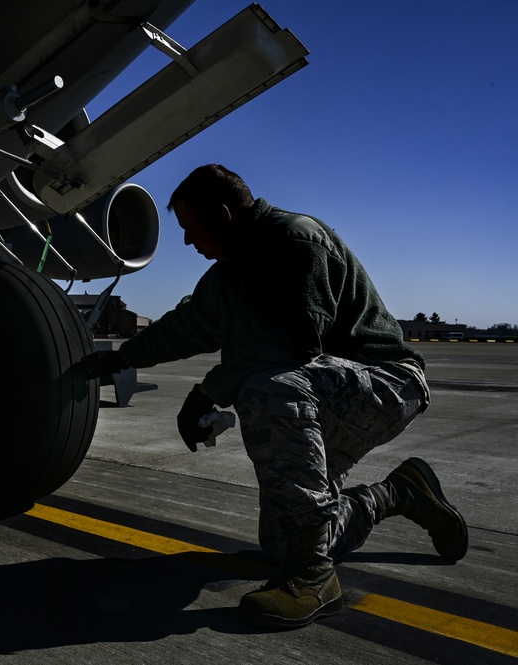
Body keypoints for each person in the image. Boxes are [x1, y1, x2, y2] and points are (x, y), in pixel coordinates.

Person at [76, 164, 467, 629]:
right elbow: (183, 330)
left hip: (385, 382)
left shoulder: (295, 241)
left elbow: (292, 344)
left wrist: (207, 392)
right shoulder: (227, 277)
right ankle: (400, 494)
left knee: (267, 387)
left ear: (224, 215)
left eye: (192, 228)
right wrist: (113, 363)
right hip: (323, 396)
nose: (187, 242)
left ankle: (315, 578)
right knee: (284, 540)